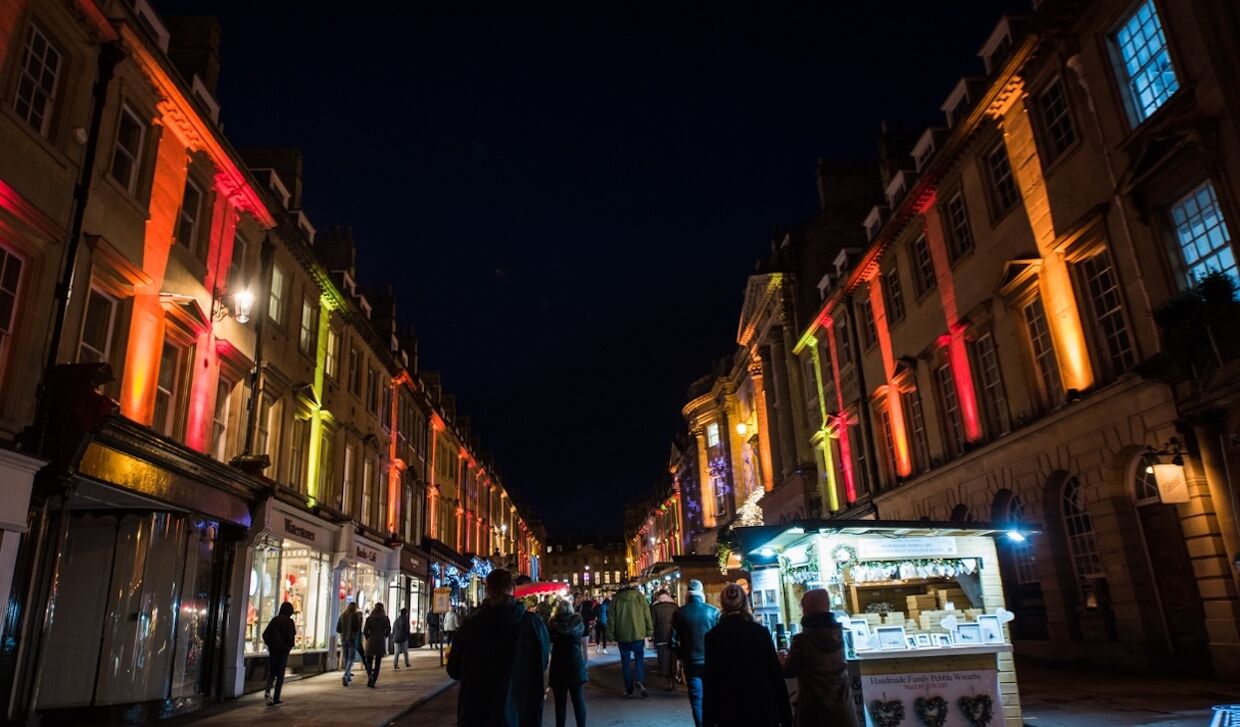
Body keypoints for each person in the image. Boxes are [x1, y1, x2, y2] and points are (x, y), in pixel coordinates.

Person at [447, 568, 551, 726]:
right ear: (513, 589)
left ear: (488, 590)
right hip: (520, 711)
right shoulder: (533, 624)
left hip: (479, 713)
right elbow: (542, 662)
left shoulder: (472, 625)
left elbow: (454, 670)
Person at [703, 584, 792, 727]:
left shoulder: (713, 637)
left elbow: (710, 680)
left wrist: (708, 720)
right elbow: (775, 675)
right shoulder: (760, 632)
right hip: (761, 706)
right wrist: (785, 716)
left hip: (728, 709)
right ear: (745, 602)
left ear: (722, 604)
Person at [781, 589, 858, 727]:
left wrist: (781, 660)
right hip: (843, 710)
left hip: (813, 712)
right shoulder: (839, 636)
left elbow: (789, 671)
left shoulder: (802, 641)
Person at [671, 579, 719, 727]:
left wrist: (681, 655)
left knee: (696, 700)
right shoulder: (713, 611)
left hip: (691, 662)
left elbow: (672, 641)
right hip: (711, 662)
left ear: (687, 594)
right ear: (701, 593)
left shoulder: (679, 613)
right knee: (712, 697)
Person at [607, 579, 653, 698]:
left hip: (623, 636)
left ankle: (629, 689)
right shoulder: (639, 597)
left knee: (625, 663)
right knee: (639, 659)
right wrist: (649, 631)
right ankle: (639, 680)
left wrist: (610, 636)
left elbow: (611, 620)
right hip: (638, 634)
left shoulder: (615, 600)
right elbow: (647, 614)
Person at [548, 599, 589, 727]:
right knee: (579, 702)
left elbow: (548, 641)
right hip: (575, 664)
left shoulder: (552, 624)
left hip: (558, 666)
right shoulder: (577, 622)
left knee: (560, 705)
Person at [261, 601, 296, 706]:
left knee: (272, 672)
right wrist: (289, 646)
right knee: (280, 675)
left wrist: (271, 644)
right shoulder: (290, 622)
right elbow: (290, 637)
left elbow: (265, 634)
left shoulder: (275, 620)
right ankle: (276, 698)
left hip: (274, 650)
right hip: (283, 652)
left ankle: (267, 691)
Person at [650, 589, 679, 691]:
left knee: (663, 657)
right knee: (673, 658)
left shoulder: (655, 607)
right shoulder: (675, 606)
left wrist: (651, 635)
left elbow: (652, 623)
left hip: (660, 635)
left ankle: (667, 681)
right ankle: (673, 680)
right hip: (673, 635)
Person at [363, 602, 392, 688]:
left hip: (371, 641)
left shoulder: (369, 618)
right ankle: (374, 680)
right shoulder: (385, 618)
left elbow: (365, 631)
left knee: (369, 660)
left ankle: (370, 676)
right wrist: (384, 636)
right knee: (378, 662)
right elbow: (388, 629)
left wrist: (368, 637)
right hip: (380, 641)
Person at [337, 601, 364, 686]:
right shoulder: (355, 616)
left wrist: (344, 631)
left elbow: (338, 629)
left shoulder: (342, 615)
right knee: (350, 658)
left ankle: (348, 675)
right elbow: (357, 628)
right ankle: (346, 675)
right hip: (352, 639)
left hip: (343, 639)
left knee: (346, 657)